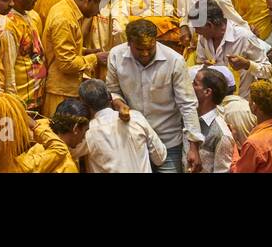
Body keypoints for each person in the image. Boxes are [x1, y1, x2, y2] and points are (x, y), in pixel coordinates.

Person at [105, 18, 202, 173]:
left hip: (168, 142)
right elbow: (113, 90)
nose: (145, 53)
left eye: (150, 48)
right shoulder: (116, 55)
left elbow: (188, 104)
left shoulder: (174, 61)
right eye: (140, 49)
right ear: (129, 43)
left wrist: (194, 146)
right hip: (133, 140)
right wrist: (119, 104)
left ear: (156, 41)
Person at [79, 77, 166, 173]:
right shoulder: (136, 118)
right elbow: (160, 157)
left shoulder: (88, 133)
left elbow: (69, 151)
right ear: (110, 98)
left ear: (85, 107)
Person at [231, 80, 272, 173]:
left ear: (254, 106)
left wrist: (233, 145)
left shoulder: (254, 143)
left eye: (250, 99)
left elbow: (238, 171)